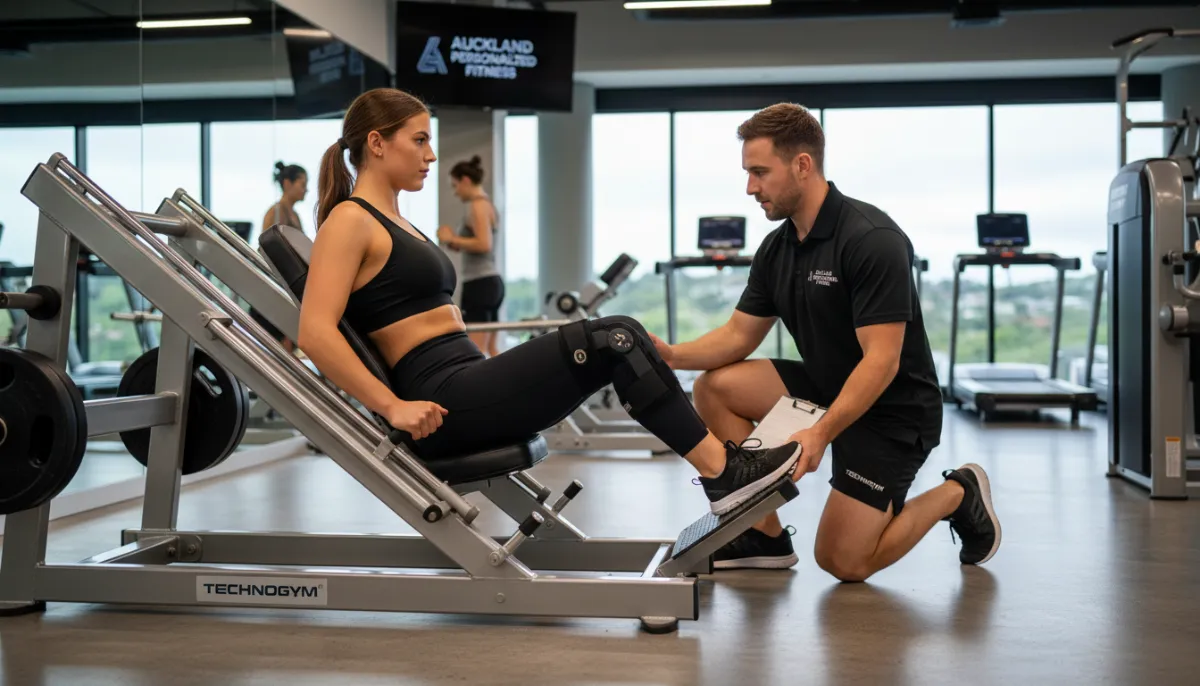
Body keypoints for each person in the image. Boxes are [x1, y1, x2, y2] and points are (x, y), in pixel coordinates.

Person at [296, 87, 803, 516]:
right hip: (444, 401)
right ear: (377, 143)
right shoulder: (350, 220)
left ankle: (728, 477)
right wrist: (392, 407)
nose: (431, 156)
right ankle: (724, 472)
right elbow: (315, 331)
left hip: (469, 382)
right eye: (421, 140)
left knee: (623, 341)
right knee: (615, 336)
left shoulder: (398, 221)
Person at [650, 103, 1001, 579]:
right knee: (714, 388)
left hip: (892, 411)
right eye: (748, 173)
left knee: (843, 561)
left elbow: (881, 361)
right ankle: (763, 535)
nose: (750, 187)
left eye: (759, 172)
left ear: (802, 165)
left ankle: (959, 492)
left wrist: (820, 433)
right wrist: (670, 354)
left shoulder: (870, 238)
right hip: (825, 384)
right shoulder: (778, 248)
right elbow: (737, 336)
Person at [437, 156, 504, 357]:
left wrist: (453, 238)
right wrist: (454, 242)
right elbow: (479, 244)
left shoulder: (477, 205)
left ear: (465, 180)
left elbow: (484, 244)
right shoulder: (486, 205)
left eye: (455, 185)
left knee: (476, 350)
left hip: (480, 284)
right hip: (489, 282)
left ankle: (485, 388)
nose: (456, 192)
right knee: (491, 349)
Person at [253, 162, 309, 352]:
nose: (306, 189)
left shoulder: (295, 215)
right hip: (279, 285)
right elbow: (269, 252)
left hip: (292, 284)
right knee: (283, 344)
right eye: (302, 184)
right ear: (287, 183)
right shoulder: (275, 212)